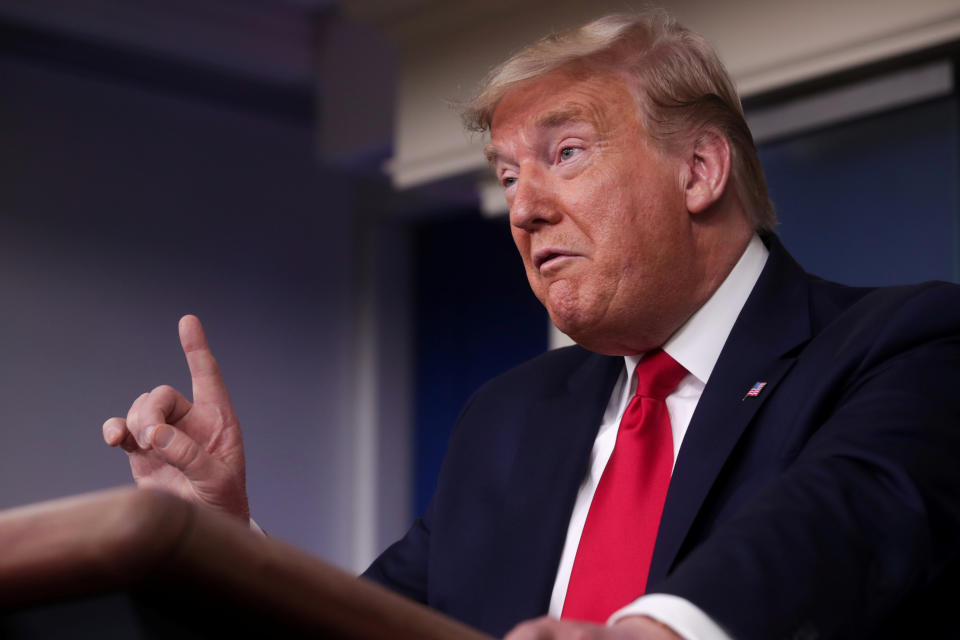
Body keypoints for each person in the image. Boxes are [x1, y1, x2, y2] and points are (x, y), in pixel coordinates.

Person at [102, 10, 960, 640]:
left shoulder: (906, 344)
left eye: (566, 153)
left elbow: (841, 522)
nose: (525, 209)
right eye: (508, 176)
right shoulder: (504, 423)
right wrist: (221, 546)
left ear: (699, 169)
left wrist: (655, 634)